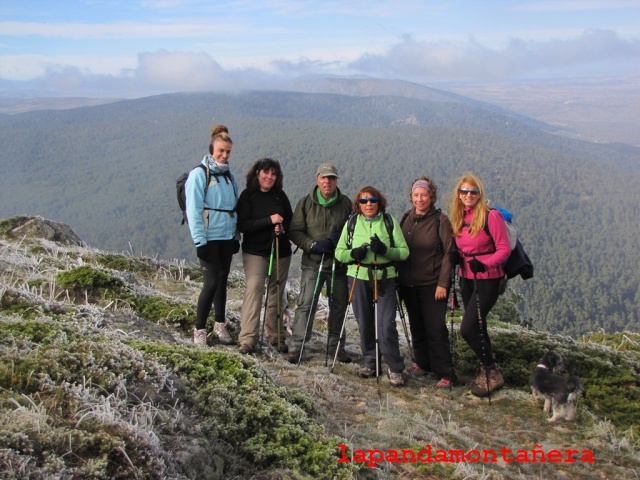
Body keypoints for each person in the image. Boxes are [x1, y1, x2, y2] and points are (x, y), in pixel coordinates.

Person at [335, 186, 409, 386]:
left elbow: (403, 252)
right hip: (358, 276)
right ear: (358, 204)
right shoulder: (351, 223)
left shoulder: (389, 221)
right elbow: (339, 252)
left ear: (379, 202)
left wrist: (385, 250)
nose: (368, 204)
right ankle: (371, 362)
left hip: (385, 276)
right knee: (365, 322)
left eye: (372, 200)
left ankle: (394, 367)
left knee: (385, 325)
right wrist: (353, 254)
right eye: (364, 200)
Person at [449, 173, 511, 397]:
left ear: (479, 194)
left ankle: (492, 372)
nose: (468, 195)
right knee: (479, 324)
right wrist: (456, 256)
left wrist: (483, 264)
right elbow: (462, 244)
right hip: (467, 278)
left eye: (472, 192)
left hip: (488, 279)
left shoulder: (490, 216)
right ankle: (488, 365)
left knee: (468, 328)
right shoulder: (459, 216)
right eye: (464, 191)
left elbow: (504, 249)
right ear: (458, 194)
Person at [287, 163, 353, 364]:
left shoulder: (346, 204)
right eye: (324, 178)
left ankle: (336, 348)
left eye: (331, 178)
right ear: (317, 179)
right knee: (306, 304)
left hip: (338, 265)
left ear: (336, 181)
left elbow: (353, 230)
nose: (327, 182)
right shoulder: (305, 203)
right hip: (312, 263)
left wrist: (340, 241)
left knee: (339, 306)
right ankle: (296, 346)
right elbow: (295, 231)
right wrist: (313, 245)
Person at [398, 177, 457, 388]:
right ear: (411, 196)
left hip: (432, 284)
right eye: (416, 195)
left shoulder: (440, 220)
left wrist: (443, 283)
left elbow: (450, 252)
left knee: (435, 328)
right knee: (417, 325)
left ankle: (445, 372)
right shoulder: (406, 218)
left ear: (431, 196)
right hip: (408, 283)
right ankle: (423, 363)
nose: (420, 199)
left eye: (424, 195)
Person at [185, 124, 240, 347]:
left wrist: (236, 236)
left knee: (223, 280)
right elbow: (193, 210)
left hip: (226, 237)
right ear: (212, 149)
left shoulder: (229, 175)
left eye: (228, 151)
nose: (224, 155)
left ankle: (220, 325)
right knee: (211, 282)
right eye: (221, 151)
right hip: (209, 237)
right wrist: (200, 241)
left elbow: (234, 206)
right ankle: (199, 329)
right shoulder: (199, 174)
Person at [236, 158, 293, 354]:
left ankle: (276, 337)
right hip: (256, 252)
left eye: (273, 174)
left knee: (276, 294)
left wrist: (282, 228)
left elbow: (290, 221)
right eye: (266, 172)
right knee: (254, 290)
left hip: (280, 251)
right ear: (257, 173)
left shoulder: (280, 196)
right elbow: (243, 225)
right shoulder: (248, 196)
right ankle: (248, 339)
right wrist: (269, 221)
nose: (269, 177)